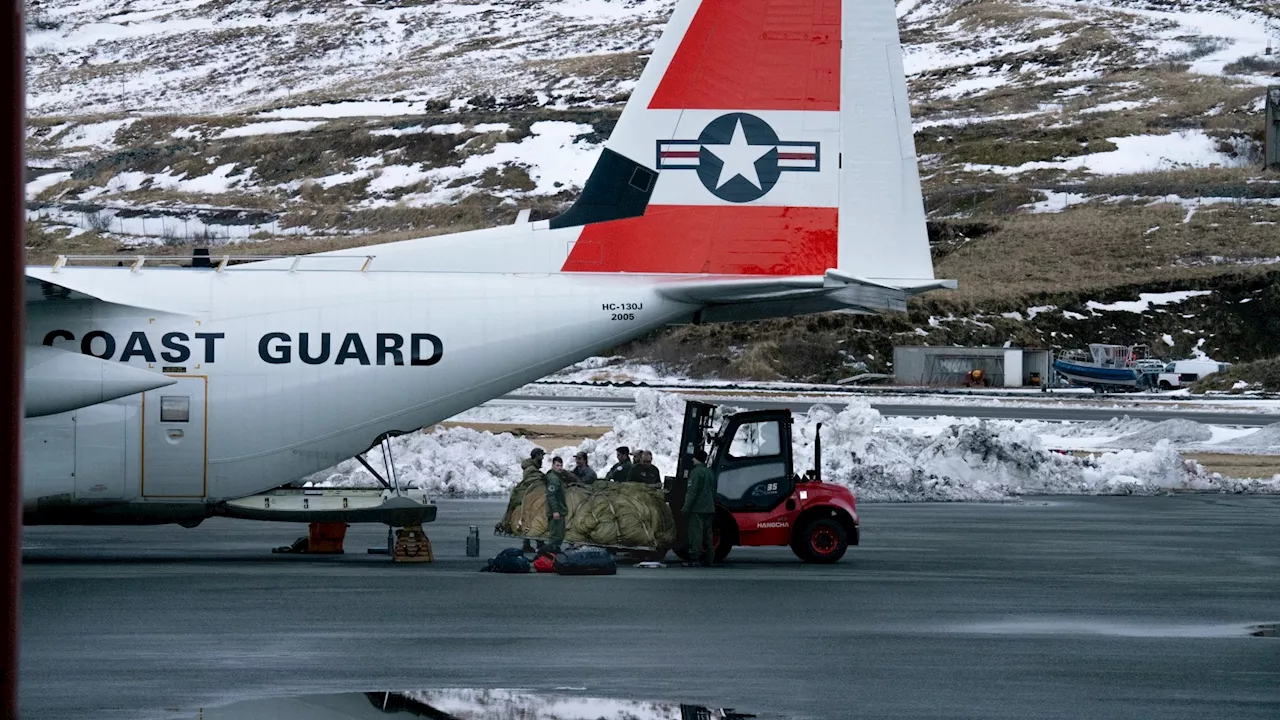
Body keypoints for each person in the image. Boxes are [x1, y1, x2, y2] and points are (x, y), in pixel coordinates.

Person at [682, 448, 717, 566]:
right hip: (709, 508)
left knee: (696, 533)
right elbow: (713, 491)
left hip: (697, 508)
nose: (692, 459)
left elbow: (692, 492)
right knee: (708, 534)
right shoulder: (709, 472)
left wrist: (686, 508)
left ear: (696, 459)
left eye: (693, 457)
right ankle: (709, 558)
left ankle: (695, 559)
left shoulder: (696, 473)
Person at [519, 448, 546, 552]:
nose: (543, 458)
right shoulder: (531, 470)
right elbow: (535, 480)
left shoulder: (531, 468)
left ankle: (530, 543)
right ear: (537, 455)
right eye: (541, 455)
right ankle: (538, 543)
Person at [544, 456, 569, 553]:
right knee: (555, 536)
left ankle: (553, 554)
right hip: (557, 512)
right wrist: (555, 511)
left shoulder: (557, 477)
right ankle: (549, 555)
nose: (559, 468)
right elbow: (551, 496)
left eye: (561, 465)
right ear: (553, 465)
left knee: (558, 536)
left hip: (559, 510)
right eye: (557, 465)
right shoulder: (554, 479)